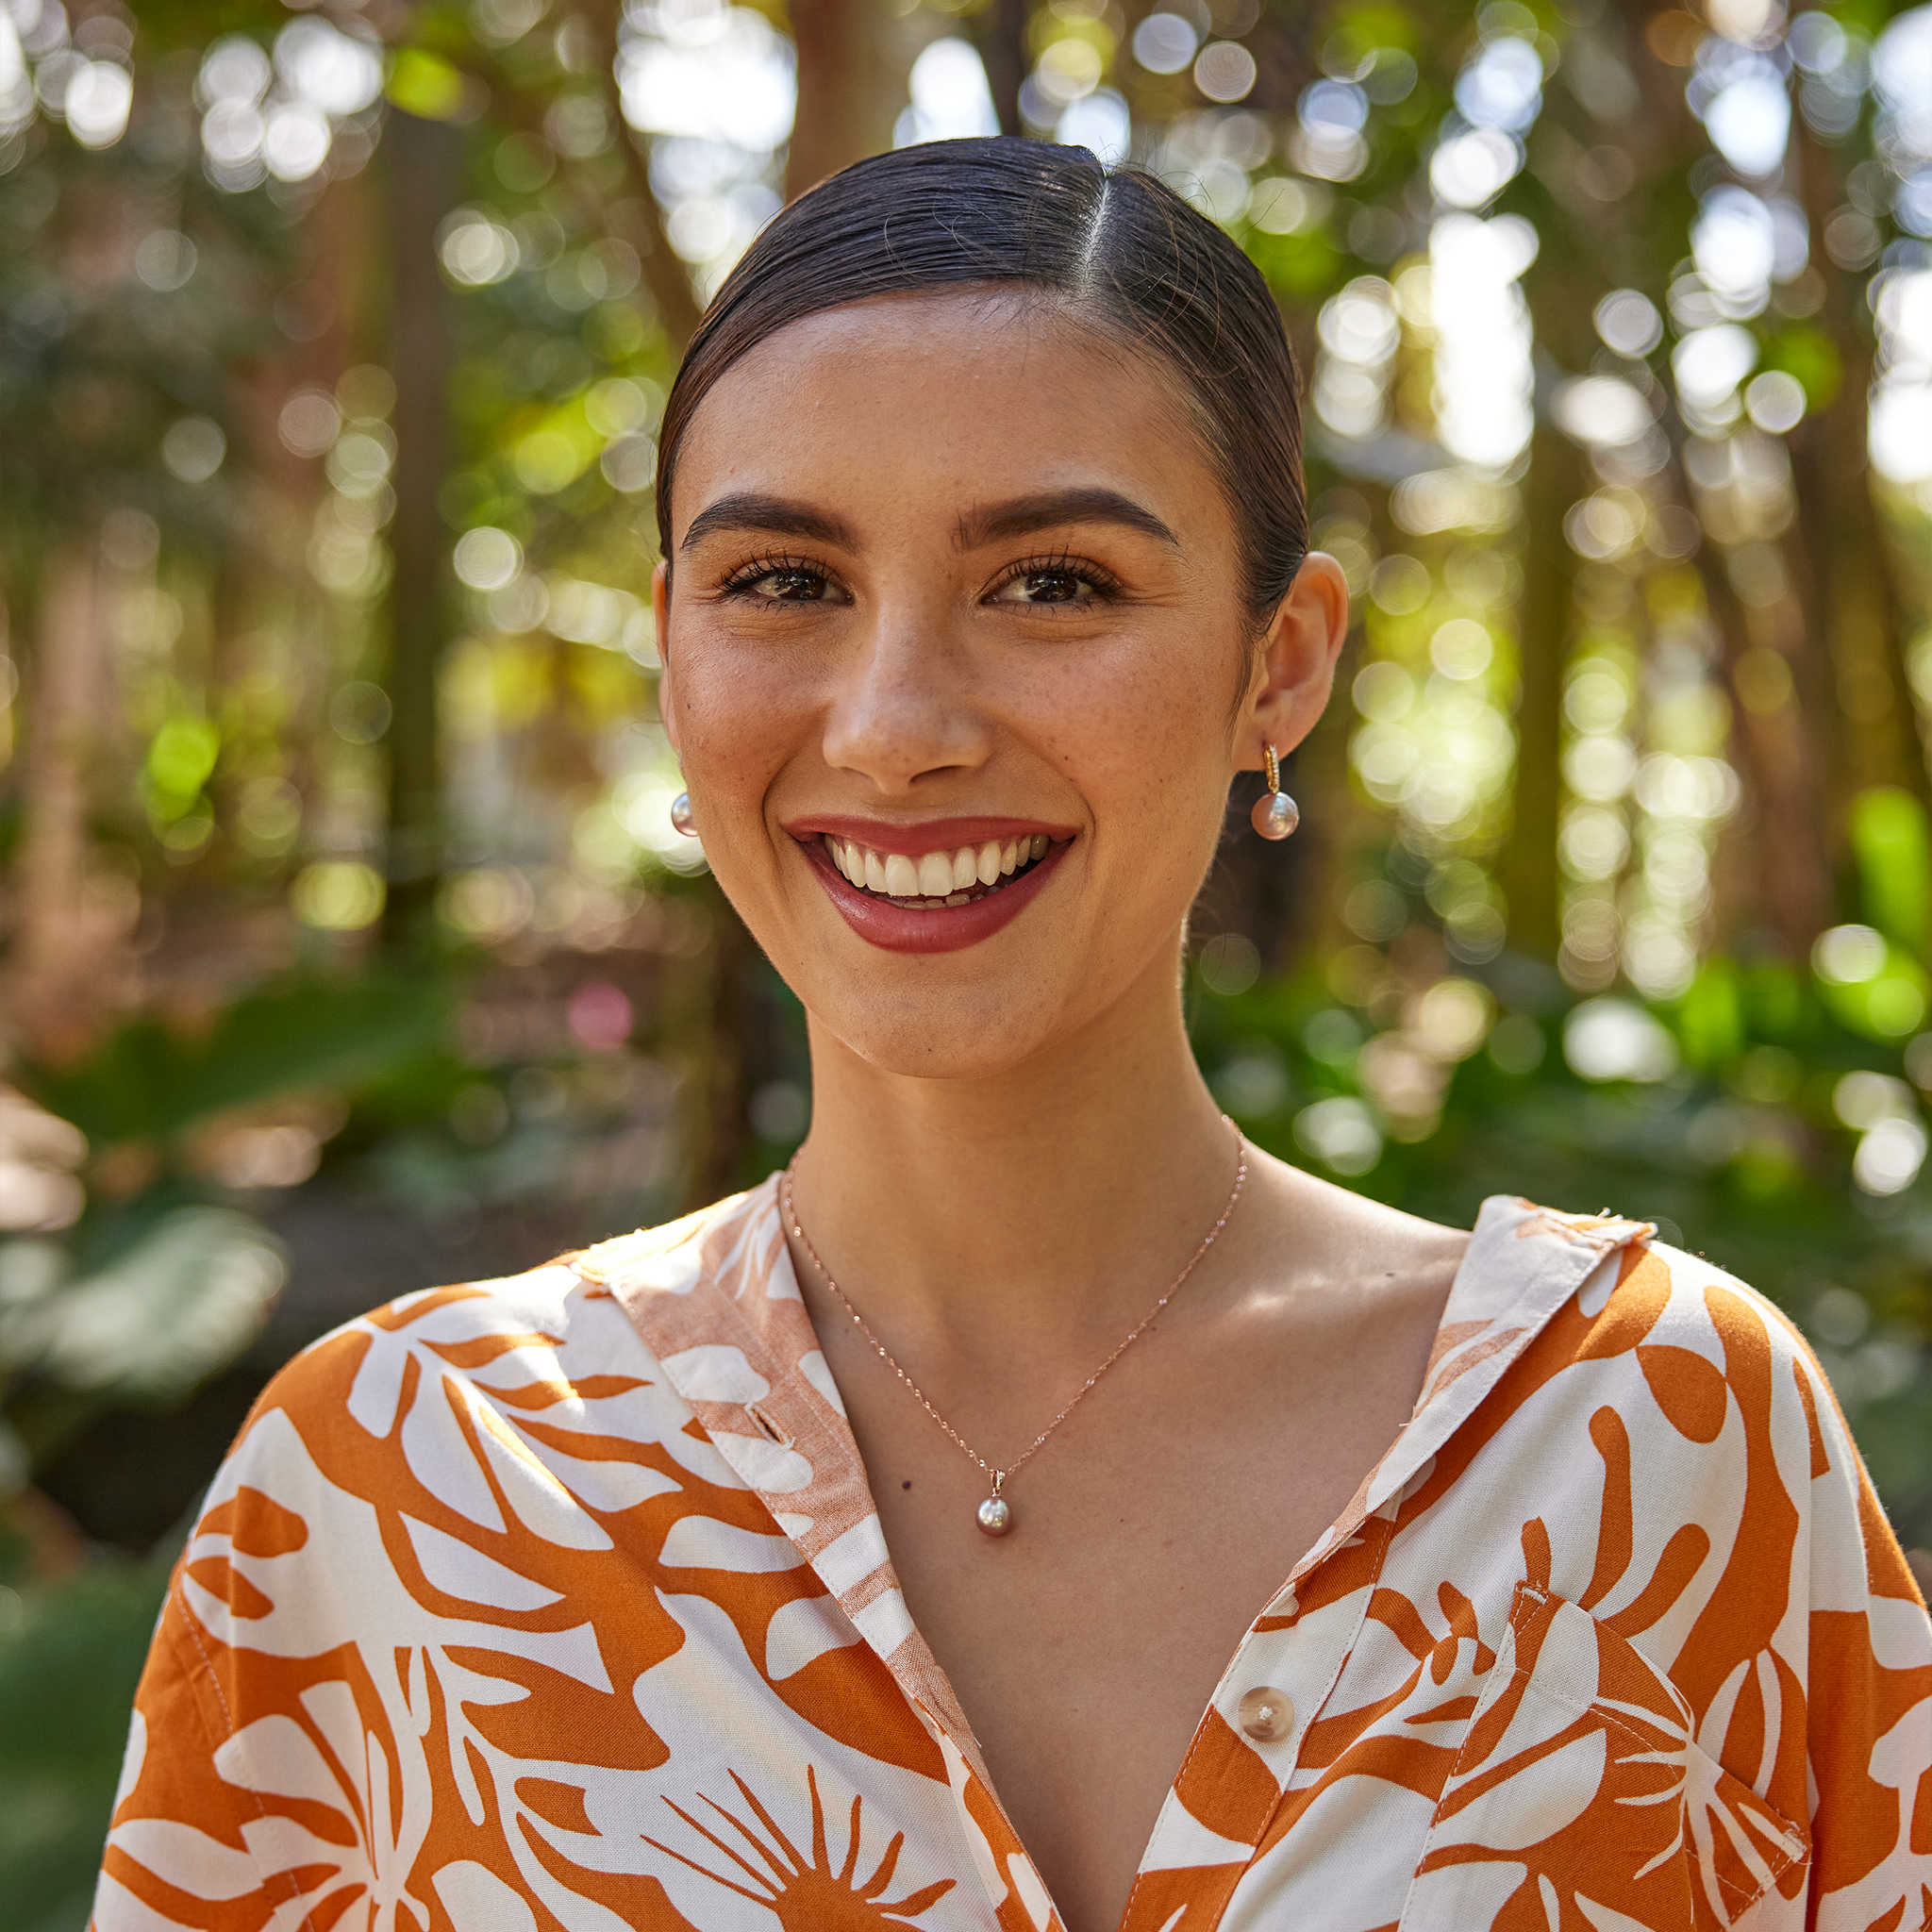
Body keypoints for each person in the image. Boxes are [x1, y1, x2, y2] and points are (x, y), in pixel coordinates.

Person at [95, 139, 1929, 1932]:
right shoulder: (397, 1482)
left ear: (1277, 662)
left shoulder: (1650, 1439)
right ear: (671, 649)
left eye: (1051, 582)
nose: (896, 726)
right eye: (784, 583)